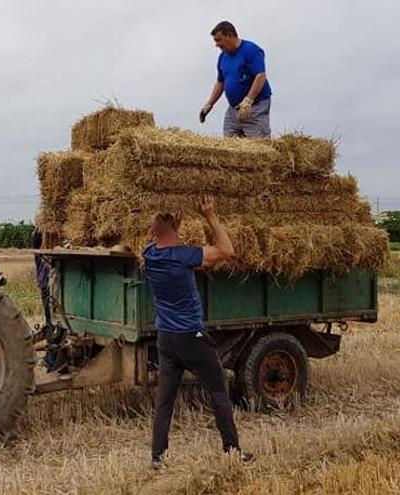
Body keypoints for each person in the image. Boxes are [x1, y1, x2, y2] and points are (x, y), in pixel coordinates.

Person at [143, 195, 253, 469]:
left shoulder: (149, 255)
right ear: (173, 229)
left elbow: (165, 239)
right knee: (218, 391)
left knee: (165, 399)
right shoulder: (184, 257)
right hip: (191, 337)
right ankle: (232, 450)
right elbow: (227, 250)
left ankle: (158, 457)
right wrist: (210, 215)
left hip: (165, 338)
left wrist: (172, 228)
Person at [199, 20, 272, 138]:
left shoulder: (251, 50)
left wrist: (248, 100)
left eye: (218, 40)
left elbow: (260, 76)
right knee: (229, 147)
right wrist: (209, 104)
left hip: (255, 107)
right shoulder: (223, 57)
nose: (217, 45)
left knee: (257, 148)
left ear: (230, 35)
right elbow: (220, 82)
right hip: (234, 110)